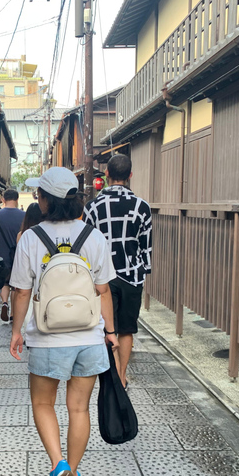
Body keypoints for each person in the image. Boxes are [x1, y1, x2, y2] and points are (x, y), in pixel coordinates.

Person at [9, 167, 118, 476]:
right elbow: (104, 292)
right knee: (79, 408)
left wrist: (16, 331)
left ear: (45, 200)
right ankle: (72, 473)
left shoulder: (31, 238)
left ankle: (58, 466)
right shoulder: (94, 237)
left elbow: (22, 292)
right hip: (88, 335)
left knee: (43, 403)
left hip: (47, 336)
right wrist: (111, 332)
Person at [83, 154, 152, 387]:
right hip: (132, 274)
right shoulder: (142, 207)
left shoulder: (91, 207)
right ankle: (122, 376)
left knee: (106, 328)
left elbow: (87, 243)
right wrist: (144, 269)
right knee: (126, 329)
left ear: (108, 175)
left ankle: (112, 375)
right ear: (130, 176)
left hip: (103, 277)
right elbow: (146, 244)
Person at [0, 188, 25, 322]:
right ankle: (13, 314)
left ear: (3, 200)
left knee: (4, 282)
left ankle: (4, 303)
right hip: (18, 254)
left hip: (1, 254)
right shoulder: (24, 215)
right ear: (17, 199)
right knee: (15, 285)